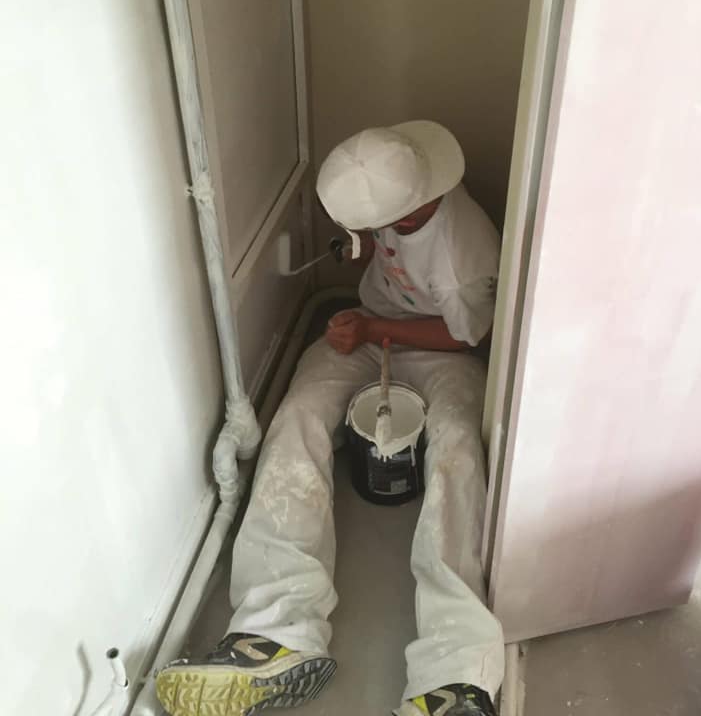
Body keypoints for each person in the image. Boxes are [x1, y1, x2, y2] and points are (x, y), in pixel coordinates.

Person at [156, 121, 505, 716]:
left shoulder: (463, 255)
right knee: (298, 417)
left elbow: (467, 334)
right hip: (372, 330)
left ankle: (455, 677)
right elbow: (379, 242)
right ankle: (275, 635)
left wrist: (371, 327)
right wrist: (365, 291)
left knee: (456, 451)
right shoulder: (397, 188)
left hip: (445, 351)